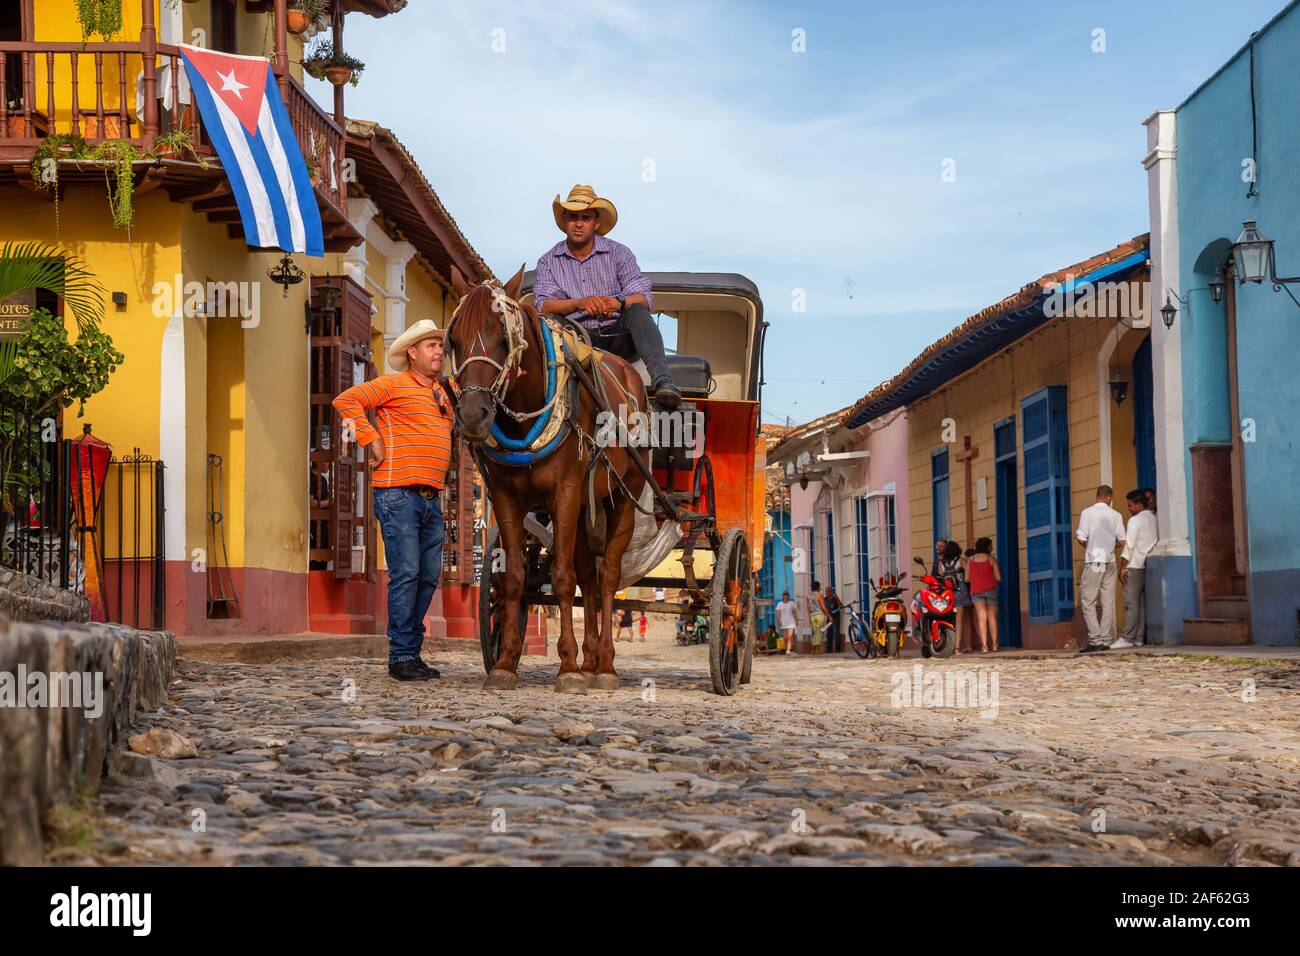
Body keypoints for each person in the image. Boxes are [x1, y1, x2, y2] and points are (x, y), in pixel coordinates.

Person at [332, 320, 453, 682]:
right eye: (431, 345)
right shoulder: (394, 383)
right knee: (407, 575)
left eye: (440, 346)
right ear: (412, 353)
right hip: (397, 494)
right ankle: (400, 655)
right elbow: (346, 400)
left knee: (428, 578)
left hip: (432, 500)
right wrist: (371, 438)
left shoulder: (445, 392)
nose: (438, 351)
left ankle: (411, 653)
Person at [533, 185, 680, 410]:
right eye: (573, 217)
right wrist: (579, 303)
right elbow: (543, 304)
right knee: (550, 322)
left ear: (596, 223)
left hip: (619, 339)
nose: (579, 223)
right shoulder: (548, 261)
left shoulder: (619, 253)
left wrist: (618, 302)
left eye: (585, 218)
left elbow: (643, 297)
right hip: (578, 342)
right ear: (565, 221)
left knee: (638, 312)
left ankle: (663, 382)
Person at [1076, 485, 1127, 653]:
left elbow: (1081, 538)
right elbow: (1122, 541)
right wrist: (1108, 547)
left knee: (1088, 601)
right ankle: (1105, 639)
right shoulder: (1116, 515)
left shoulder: (1087, 513)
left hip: (1095, 559)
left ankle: (1095, 640)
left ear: (1098, 496)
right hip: (1110, 560)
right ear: (1108, 497)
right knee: (1108, 600)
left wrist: (1092, 546)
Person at [1117, 489, 1159, 648]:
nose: (1129, 509)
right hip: (1146, 563)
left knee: (1131, 604)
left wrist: (1123, 566)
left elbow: (1129, 546)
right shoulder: (1154, 519)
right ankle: (1139, 638)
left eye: (1131, 505)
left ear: (1140, 505)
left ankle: (1127, 638)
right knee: (1141, 604)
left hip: (1134, 565)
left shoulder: (1134, 521)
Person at [967, 537, 1001, 652]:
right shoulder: (990, 558)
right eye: (991, 545)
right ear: (987, 547)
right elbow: (999, 577)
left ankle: (984, 646)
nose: (992, 548)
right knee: (992, 617)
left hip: (976, 591)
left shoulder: (971, 559)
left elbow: (967, 578)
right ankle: (995, 645)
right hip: (990, 590)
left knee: (981, 617)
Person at [937, 541, 970, 653]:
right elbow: (968, 577)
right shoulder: (961, 560)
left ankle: (948, 645)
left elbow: (941, 577)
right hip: (960, 592)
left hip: (947, 594)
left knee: (949, 620)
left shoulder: (941, 563)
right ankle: (957, 647)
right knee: (959, 620)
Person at [809, 581, 829, 654]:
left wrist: (809, 617)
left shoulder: (808, 596)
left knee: (815, 632)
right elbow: (823, 607)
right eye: (819, 586)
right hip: (819, 615)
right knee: (819, 632)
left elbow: (808, 608)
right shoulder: (819, 595)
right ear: (818, 587)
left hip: (812, 616)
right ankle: (817, 650)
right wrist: (829, 615)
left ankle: (813, 649)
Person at [775, 590, 797, 655]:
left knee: (790, 636)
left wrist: (796, 620)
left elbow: (794, 612)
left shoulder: (791, 603)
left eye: (787, 595)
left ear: (789, 596)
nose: (786, 596)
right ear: (783, 596)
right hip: (784, 622)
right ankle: (786, 649)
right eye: (784, 595)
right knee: (785, 638)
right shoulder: (780, 604)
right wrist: (779, 620)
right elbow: (778, 613)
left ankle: (788, 650)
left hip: (791, 621)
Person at [824, 584, 843, 653]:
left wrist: (837, 597)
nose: (827, 592)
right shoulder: (825, 599)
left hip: (836, 618)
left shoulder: (835, 598)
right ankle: (829, 649)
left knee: (836, 633)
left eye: (828, 591)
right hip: (829, 618)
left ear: (831, 591)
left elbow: (841, 606)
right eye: (826, 591)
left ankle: (837, 649)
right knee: (829, 634)